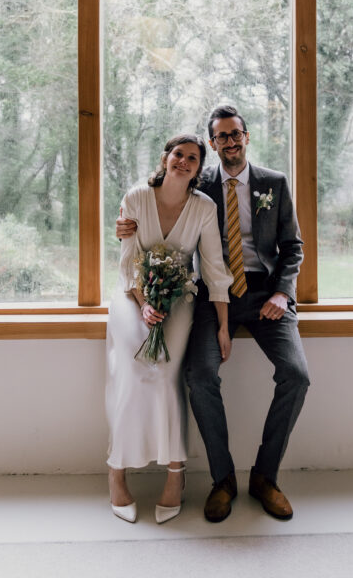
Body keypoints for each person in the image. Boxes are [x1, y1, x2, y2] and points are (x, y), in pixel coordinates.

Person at [117, 105, 310, 522]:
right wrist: (124, 225)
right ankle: (222, 479)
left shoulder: (273, 183)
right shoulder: (196, 179)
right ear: (212, 144)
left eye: (235, 133)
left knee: (297, 375)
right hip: (208, 293)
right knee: (199, 376)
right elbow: (150, 194)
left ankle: (265, 477)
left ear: (246, 135)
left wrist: (282, 291)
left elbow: (293, 246)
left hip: (264, 294)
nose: (230, 141)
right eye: (220, 137)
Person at [106, 133, 231, 525]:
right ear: (165, 158)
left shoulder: (203, 207)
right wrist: (144, 306)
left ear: (198, 168)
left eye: (193, 158)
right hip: (132, 297)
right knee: (132, 368)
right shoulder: (136, 197)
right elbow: (127, 263)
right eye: (179, 154)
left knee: (163, 373)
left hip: (180, 298)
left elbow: (213, 268)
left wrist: (224, 327)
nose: (184, 162)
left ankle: (175, 472)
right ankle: (117, 471)